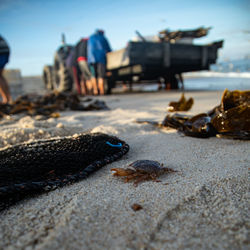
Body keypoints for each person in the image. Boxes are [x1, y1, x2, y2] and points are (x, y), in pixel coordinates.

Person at [88, 29, 111, 95]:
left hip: (91, 59)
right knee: (101, 75)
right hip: (100, 58)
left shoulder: (91, 38)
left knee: (93, 75)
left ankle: (95, 91)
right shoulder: (103, 38)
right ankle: (101, 91)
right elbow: (108, 49)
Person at [0, 35, 12, 103]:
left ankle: (6, 99)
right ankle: (8, 98)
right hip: (5, 50)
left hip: (1, 51)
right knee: (1, 76)